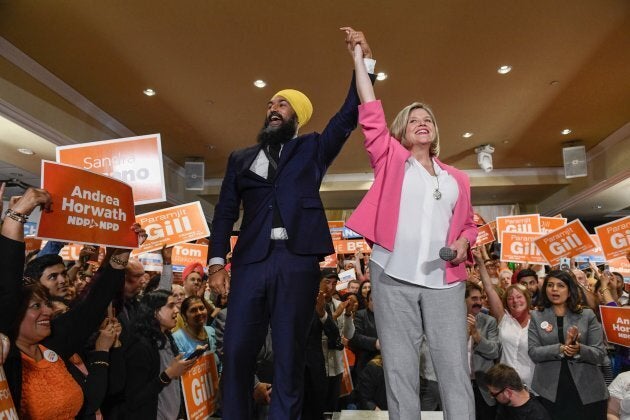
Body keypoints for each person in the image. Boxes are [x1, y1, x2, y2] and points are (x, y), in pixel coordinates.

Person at [206, 29, 375, 418]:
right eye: (270, 103)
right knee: (236, 351)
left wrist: (363, 62)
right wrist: (217, 262)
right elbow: (226, 212)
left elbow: (350, 113)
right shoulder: (240, 158)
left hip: (297, 262)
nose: (273, 107)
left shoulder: (312, 148)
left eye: (282, 103)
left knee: (288, 354)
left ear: (296, 115)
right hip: (249, 262)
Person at [344, 27, 477, 419]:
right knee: (399, 370)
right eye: (415, 119)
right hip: (392, 275)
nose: (423, 123)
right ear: (402, 131)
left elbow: (467, 225)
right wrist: (361, 60)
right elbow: (369, 110)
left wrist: (466, 242)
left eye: (429, 120)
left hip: (444, 282)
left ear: (435, 131)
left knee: (453, 367)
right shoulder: (390, 160)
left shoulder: (458, 179)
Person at [0, 187, 145, 418]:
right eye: (36, 306)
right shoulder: (7, 361)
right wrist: (16, 217)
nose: (47, 310)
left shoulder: (53, 344)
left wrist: (123, 251)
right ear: (13, 314)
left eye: (46, 303)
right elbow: (7, 285)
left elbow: (94, 304)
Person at [528, 270, 608, 419]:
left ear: (570, 291)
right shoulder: (536, 316)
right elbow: (533, 352)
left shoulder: (587, 315)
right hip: (550, 392)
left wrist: (579, 349)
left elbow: (600, 354)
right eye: (550, 285)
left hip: (588, 391)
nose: (554, 289)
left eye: (560, 285)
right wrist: (560, 349)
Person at [123, 290, 197, 419]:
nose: (176, 310)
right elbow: (134, 398)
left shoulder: (167, 337)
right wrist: (168, 375)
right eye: (170, 306)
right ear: (154, 312)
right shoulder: (140, 346)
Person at [473, 248, 535, 388]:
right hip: (504, 387)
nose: (515, 301)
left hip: (532, 387)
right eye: (510, 298)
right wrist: (481, 263)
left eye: (519, 297)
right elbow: (489, 288)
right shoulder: (504, 319)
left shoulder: (537, 322)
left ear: (527, 299)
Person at [466, 282, 501, 420]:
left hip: (483, 385)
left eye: (481, 298)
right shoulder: (452, 323)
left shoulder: (489, 322)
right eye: (474, 299)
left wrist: (477, 336)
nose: (479, 302)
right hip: (460, 384)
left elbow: (494, 352)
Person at [479, 364, 551, 420]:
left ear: (508, 393)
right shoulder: (506, 404)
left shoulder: (537, 416)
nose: (491, 397)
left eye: (493, 394)